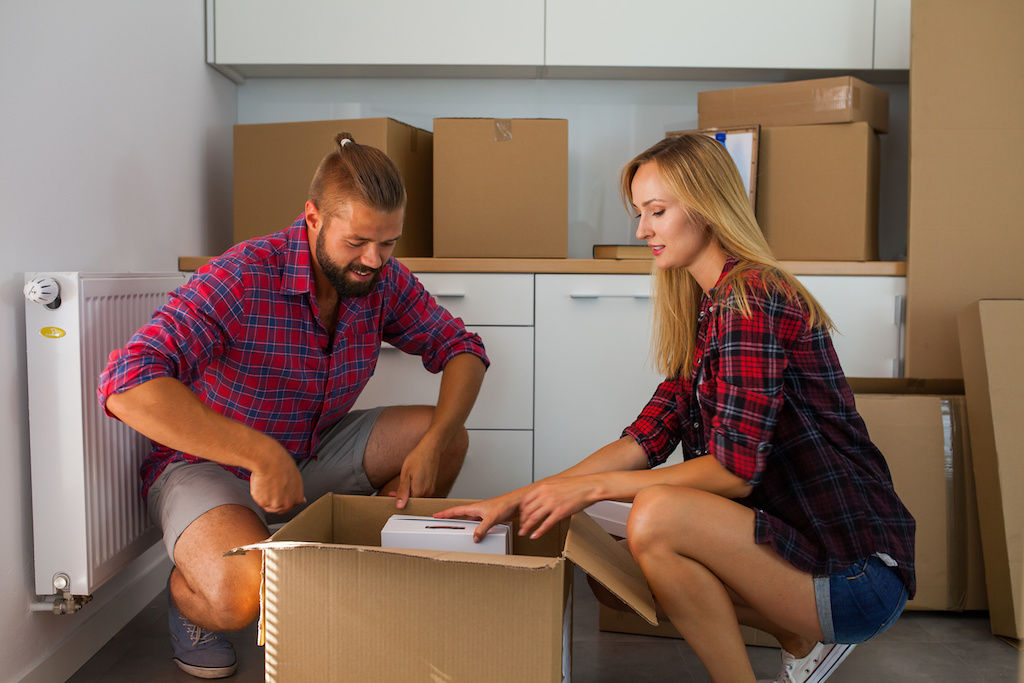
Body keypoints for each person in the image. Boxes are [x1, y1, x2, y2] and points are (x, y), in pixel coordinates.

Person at [437, 134, 915, 683]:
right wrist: (521, 498)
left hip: (852, 575)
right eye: (640, 213)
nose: (642, 230)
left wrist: (589, 491)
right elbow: (645, 439)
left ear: (707, 208)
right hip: (802, 559)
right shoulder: (707, 310)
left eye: (656, 212)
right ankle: (798, 637)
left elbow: (734, 473)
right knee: (611, 572)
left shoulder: (751, 301)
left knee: (655, 516)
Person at [99, 133, 488, 679]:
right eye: (357, 242)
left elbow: (462, 349)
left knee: (442, 436)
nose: (373, 261)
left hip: (310, 451)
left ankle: (359, 572)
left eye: (388, 243)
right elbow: (127, 382)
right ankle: (190, 593)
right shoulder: (241, 275)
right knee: (242, 598)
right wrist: (259, 454)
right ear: (312, 217)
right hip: (209, 465)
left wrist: (438, 440)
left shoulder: (381, 278)